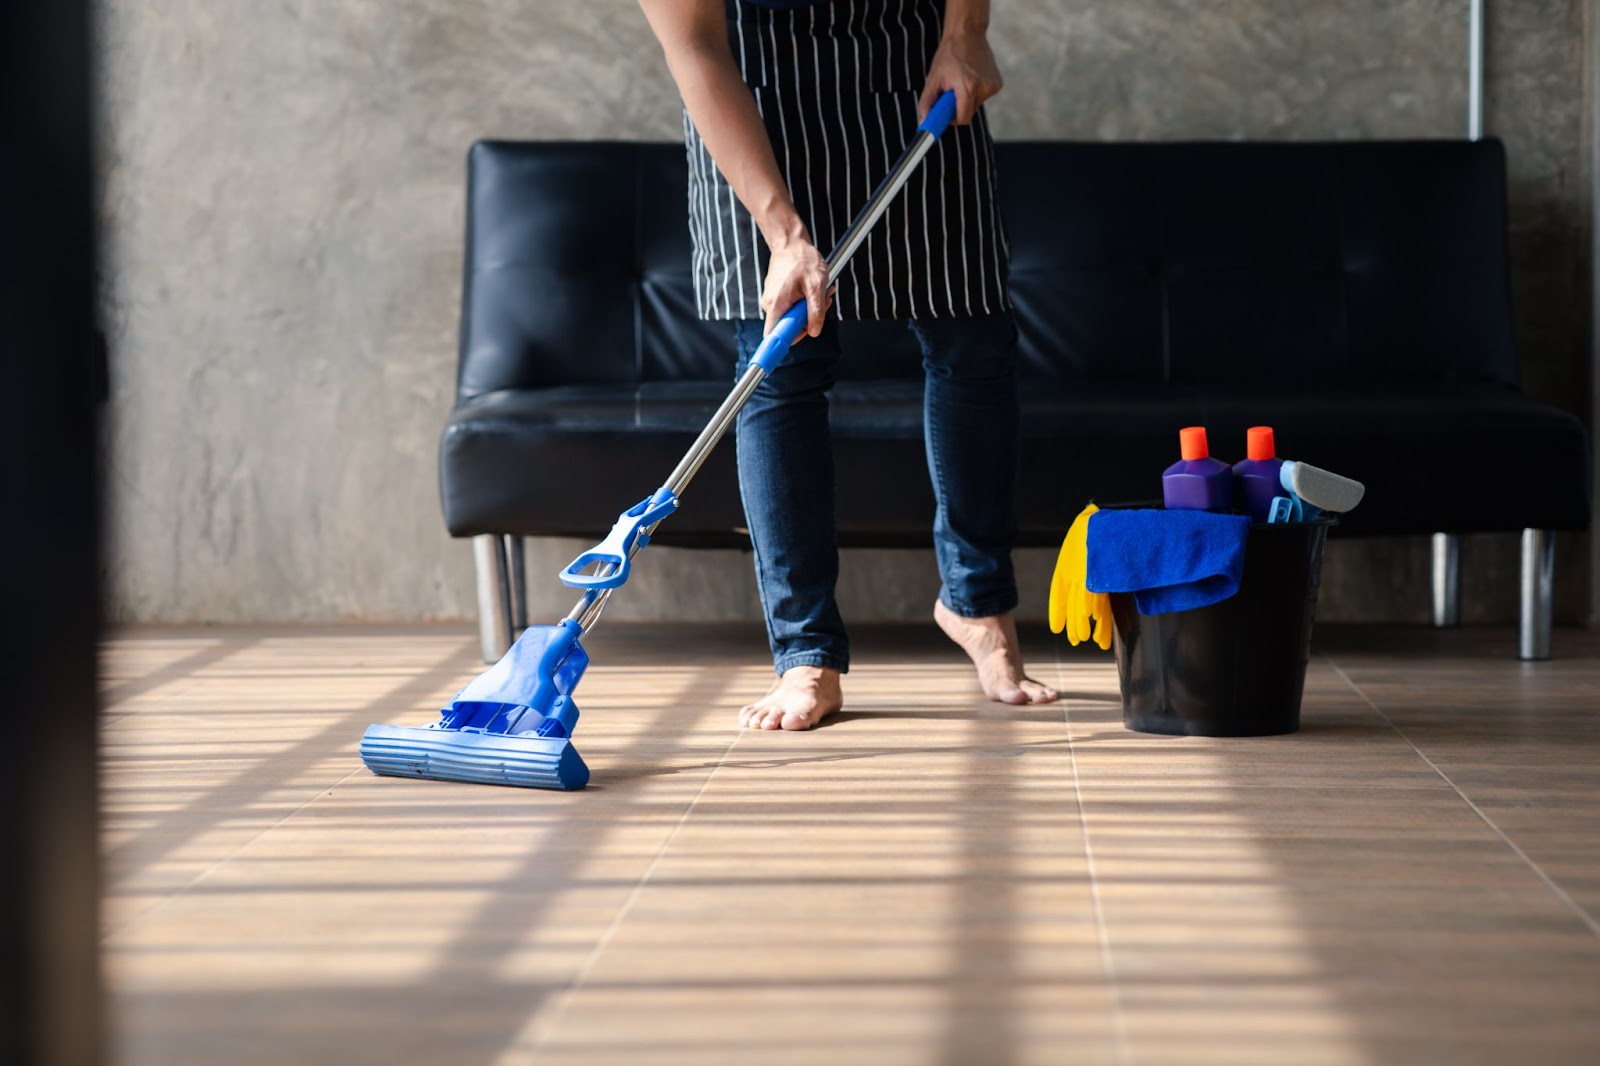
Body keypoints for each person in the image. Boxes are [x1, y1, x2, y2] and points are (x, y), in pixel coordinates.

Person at [638, 0, 1057, 729]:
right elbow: (697, 49)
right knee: (783, 371)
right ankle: (806, 652)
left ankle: (977, 603)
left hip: (913, 79)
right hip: (755, 109)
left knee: (973, 344)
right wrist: (783, 231)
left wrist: (966, 33)